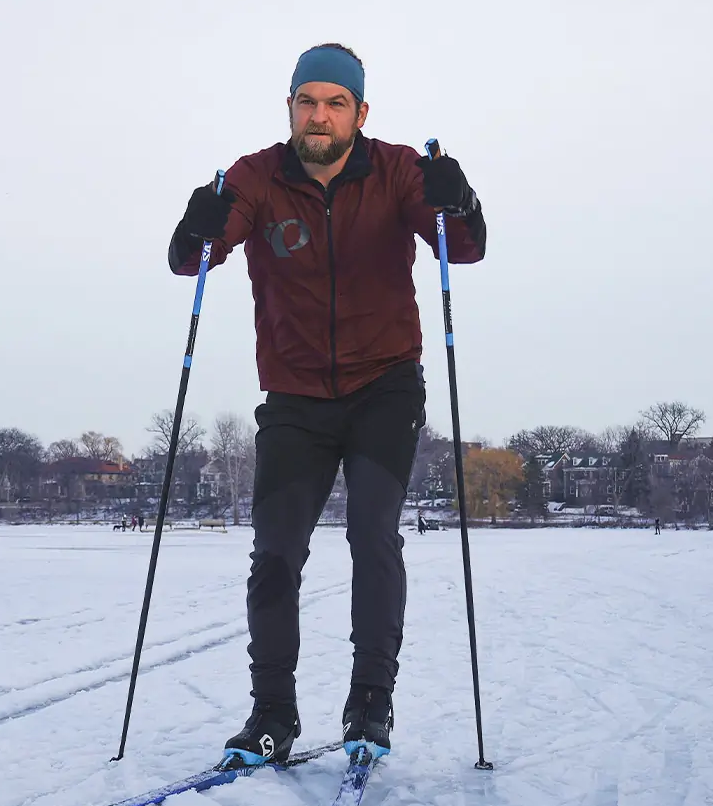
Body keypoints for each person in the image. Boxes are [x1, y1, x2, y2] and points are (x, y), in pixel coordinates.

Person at [169, 42, 484, 766]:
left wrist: (459, 198)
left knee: (373, 535)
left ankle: (370, 702)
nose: (320, 114)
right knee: (275, 552)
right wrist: (197, 223)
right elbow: (194, 259)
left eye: (336, 102)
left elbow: (461, 247)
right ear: (289, 108)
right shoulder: (258, 177)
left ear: (360, 112)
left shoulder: (399, 169)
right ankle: (271, 714)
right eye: (308, 100)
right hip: (296, 396)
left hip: (384, 386)